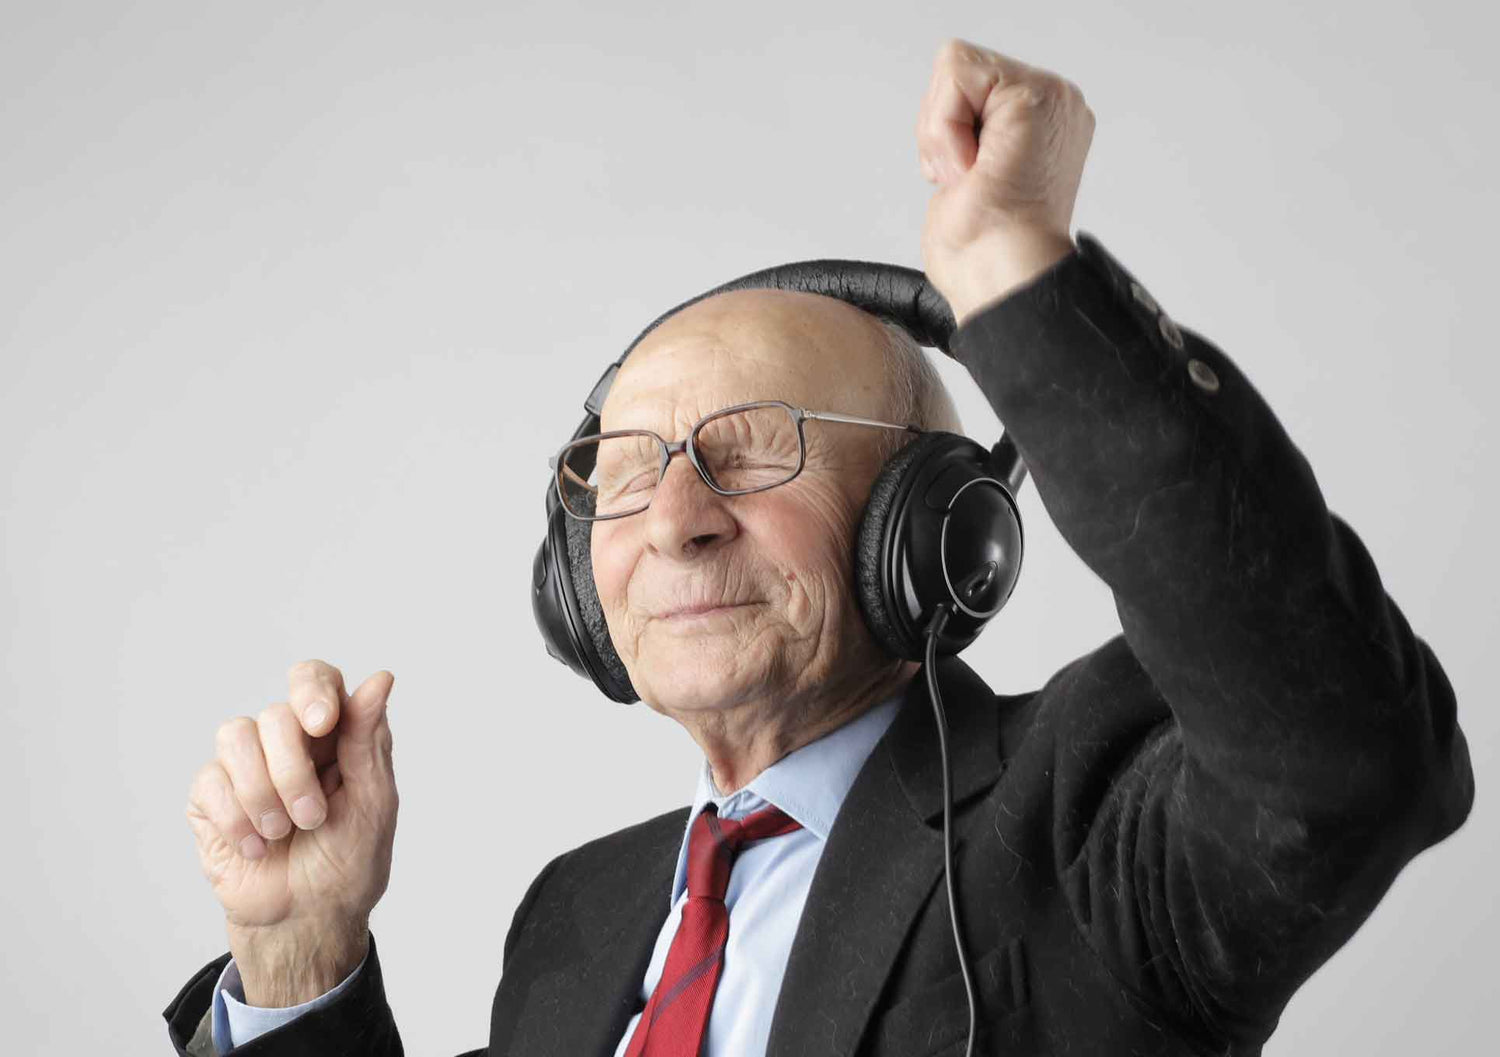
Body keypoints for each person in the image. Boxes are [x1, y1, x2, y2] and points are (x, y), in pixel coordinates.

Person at [164, 39, 1474, 1056]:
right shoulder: (579, 913)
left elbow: (1342, 758)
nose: (675, 517)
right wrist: (298, 958)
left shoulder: (1084, 817)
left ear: (936, 534)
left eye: (751, 450)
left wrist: (1018, 272)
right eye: (622, 474)